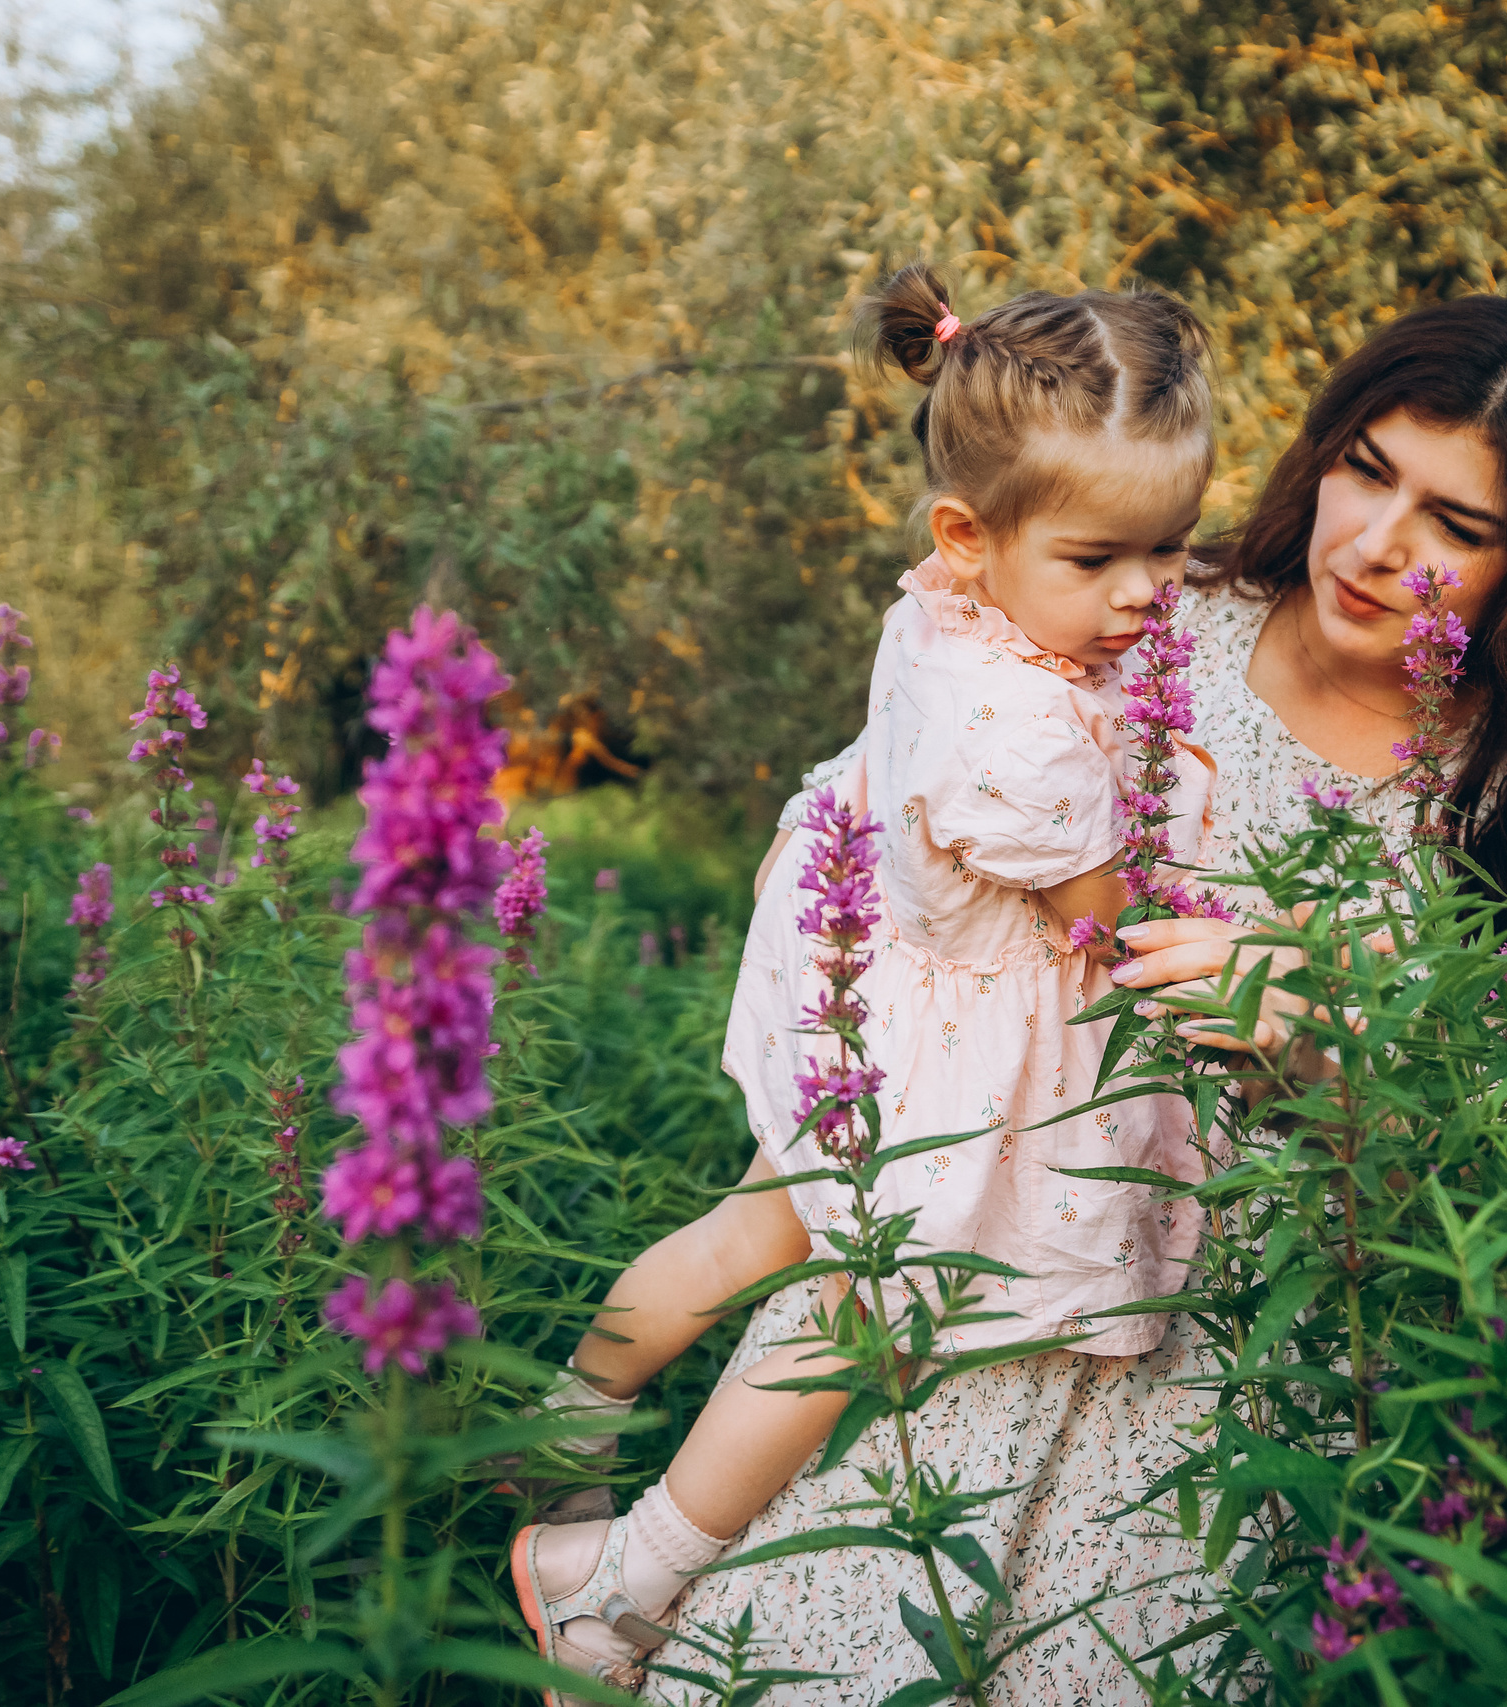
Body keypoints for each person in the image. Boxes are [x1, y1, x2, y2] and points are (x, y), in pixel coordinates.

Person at [642, 293, 1507, 1705]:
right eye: (1366, 470)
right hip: (960, 1319)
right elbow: (881, 793)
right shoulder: (1141, 615)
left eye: (1458, 525)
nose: (1376, 543)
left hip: (1225, 1429)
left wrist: (1330, 1040)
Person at [509, 262, 1223, 1684]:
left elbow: (886, 744)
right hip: (945, 1062)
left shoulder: (956, 607)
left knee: (754, 1231)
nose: (1152, 592)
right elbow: (1114, 915)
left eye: (1176, 546)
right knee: (851, 1311)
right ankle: (614, 1586)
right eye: (1104, 561)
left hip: (883, 998)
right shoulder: (1014, 731)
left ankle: (567, 1417)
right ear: (969, 534)